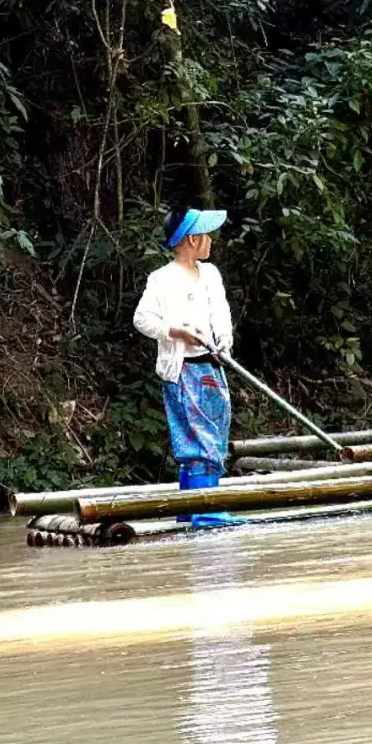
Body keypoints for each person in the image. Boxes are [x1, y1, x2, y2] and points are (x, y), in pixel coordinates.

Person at [132, 205, 244, 527]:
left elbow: (221, 314)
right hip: (182, 369)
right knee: (197, 439)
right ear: (192, 239)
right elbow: (142, 319)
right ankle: (205, 510)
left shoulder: (210, 274)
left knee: (211, 434)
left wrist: (224, 341)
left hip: (211, 365)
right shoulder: (161, 279)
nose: (210, 240)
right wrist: (176, 331)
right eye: (206, 235)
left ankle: (190, 509)